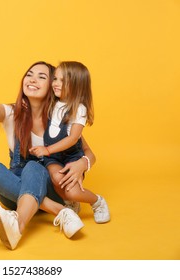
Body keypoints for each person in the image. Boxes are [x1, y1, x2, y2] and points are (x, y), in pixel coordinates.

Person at [0, 57, 94, 250]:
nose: (32, 79)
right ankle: (60, 212)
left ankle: (17, 225)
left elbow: (87, 152)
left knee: (33, 166)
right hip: (16, 193)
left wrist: (82, 164)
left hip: (51, 189)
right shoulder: (11, 113)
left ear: (53, 85)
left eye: (41, 77)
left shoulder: (60, 118)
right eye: (29, 75)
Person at [29, 61, 110, 224]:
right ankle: (69, 202)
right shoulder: (52, 102)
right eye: (55, 79)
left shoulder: (79, 109)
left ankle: (96, 201)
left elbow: (73, 138)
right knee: (58, 180)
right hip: (54, 158)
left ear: (77, 85)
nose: (56, 84)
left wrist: (47, 150)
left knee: (71, 192)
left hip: (70, 156)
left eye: (62, 81)